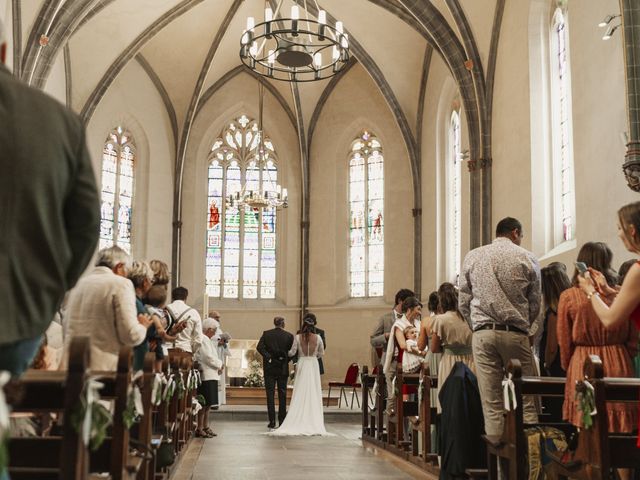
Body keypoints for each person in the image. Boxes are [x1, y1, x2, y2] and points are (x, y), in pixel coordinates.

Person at [0, 19, 100, 376]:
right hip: (18, 313)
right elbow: (86, 227)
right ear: (4, 51)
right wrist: (52, 289)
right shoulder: (60, 122)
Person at [459, 217, 541, 436]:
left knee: (492, 402)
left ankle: (500, 466)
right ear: (515, 233)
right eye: (521, 236)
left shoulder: (473, 256)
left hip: (484, 335)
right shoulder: (527, 257)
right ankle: (529, 462)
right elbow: (535, 303)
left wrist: (477, 326)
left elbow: (463, 302)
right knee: (526, 400)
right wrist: (525, 326)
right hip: (516, 334)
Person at [557, 241, 636, 434]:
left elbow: (564, 339)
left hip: (583, 364)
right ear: (608, 263)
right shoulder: (619, 294)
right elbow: (634, 337)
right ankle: (624, 465)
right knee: (620, 427)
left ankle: (588, 463)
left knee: (587, 426)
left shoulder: (569, 296)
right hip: (618, 361)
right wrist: (627, 355)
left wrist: (570, 366)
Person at [63, 246, 152, 371]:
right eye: (126, 271)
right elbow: (130, 335)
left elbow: (66, 326)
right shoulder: (121, 284)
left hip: (70, 365)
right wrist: (143, 326)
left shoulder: (78, 284)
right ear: (119, 267)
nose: (127, 276)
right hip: (102, 370)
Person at [267, 317, 330, 436]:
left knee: (300, 391)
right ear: (313, 327)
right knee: (313, 391)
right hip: (313, 365)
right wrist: (313, 356)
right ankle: (313, 420)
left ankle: (297, 417)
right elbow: (321, 353)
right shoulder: (318, 338)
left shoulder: (297, 337)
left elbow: (292, 352)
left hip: (302, 364)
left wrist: (282, 354)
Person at [429, 282, 475, 413]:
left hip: (450, 362)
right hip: (471, 361)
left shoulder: (441, 319)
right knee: (470, 401)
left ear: (442, 301)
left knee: (450, 402)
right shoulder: (469, 317)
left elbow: (434, 348)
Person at [538, 262, 571, 421]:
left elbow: (552, 346)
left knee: (555, 407)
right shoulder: (571, 305)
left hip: (556, 366)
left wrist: (547, 364)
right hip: (569, 361)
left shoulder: (553, 312)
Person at [371, 289, 414, 400]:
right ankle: (385, 413)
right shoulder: (385, 318)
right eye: (407, 302)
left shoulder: (411, 318)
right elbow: (373, 340)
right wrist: (385, 336)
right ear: (400, 301)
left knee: (406, 392)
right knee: (389, 395)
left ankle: (406, 415)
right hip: (389, 360)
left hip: (406, 360)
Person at [382, 296, 423, 413]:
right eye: (418, 309)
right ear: (409, 309)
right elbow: (403, 345)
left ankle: (411, 427)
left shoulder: (419, 324)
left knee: (414, 397)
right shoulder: (399, 324)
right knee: (398, 397)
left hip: (418, 363)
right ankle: (397, 427)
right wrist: (421, 351)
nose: (419, 313)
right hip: (401, 364)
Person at [257, 317, 294, 429]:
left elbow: (260, 347)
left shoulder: (266, 334)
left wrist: (269, 357)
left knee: (270, 395)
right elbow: (292, 352)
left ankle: (272, 421)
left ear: (274, 323)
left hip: (269, 368)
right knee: (282, 395)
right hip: (282, 368)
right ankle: (282, 421)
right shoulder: (289, 336)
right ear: (283, 324)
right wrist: (285, 360)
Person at [194, 317, 223, 438]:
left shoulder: (207, 339)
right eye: (215, 330)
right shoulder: (203, 339)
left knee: (208, 404)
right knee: (204, 404)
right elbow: (207, 357)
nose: (215, 333)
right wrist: (219, 365)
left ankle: (205, 426)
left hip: (211, 374)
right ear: (209, 329)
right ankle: (200, 428)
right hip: (206, 374)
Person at [166, 287, 203, 355]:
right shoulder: (193, 313)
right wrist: (192, 350)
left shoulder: (165, 310)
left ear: (172, 297)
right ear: (185, 298)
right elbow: (198, 339)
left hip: (167, 351)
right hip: (185, 351)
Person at [208, 310, 230, 407]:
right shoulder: (207, 329)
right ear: (211, 317)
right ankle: (213, 403)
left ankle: (219, 401)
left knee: (219, 380)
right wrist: (218, 343)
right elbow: (206, 342)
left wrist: (224, 343)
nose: (218, 319)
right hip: (212, 359)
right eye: (216, 317)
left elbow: (223, 345)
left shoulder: (219, 330)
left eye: (219, 317)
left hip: (219, 357)